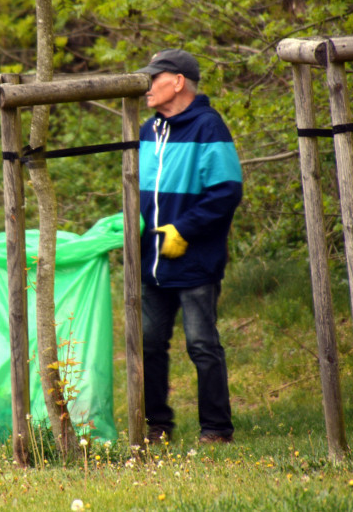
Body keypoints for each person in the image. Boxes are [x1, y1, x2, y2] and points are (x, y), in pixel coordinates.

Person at [135, 48, 243, 445]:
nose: (146, 85)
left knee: (201, 344)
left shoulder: (209, 127)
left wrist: (184, 229)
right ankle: (156, 425)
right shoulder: (148, 131)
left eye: (154, 77)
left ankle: (216, 429)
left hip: (195, 258)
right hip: (151, 263)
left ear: (177, 81)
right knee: (148, 344)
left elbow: (226, 190)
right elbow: (141, 194)